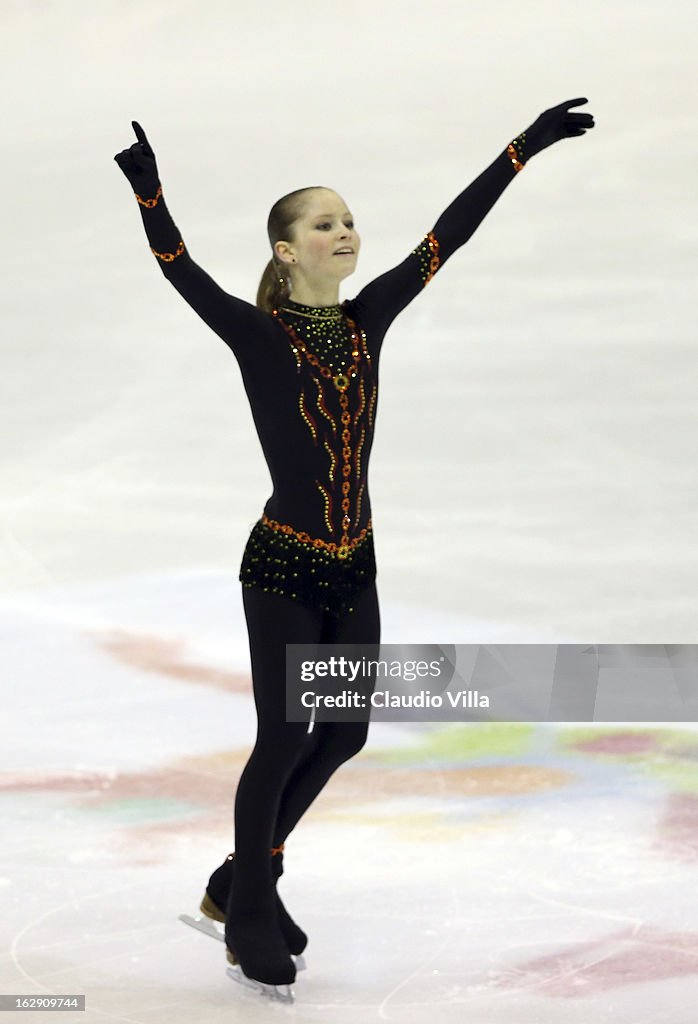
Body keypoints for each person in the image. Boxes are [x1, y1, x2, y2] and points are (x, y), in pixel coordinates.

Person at [114, 97, 594, 1001]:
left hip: (355, 560)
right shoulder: (260, 335)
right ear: (287, 249)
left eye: (349, 219)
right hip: (285, 564)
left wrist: (522, 148)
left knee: (345, 732)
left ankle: (239, 876)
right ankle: (252, 904)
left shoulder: (370, 318)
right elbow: (181, 271)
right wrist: (152, 194)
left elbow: (447, 238)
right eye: (323, 222)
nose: (346, 231)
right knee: (285, 733)